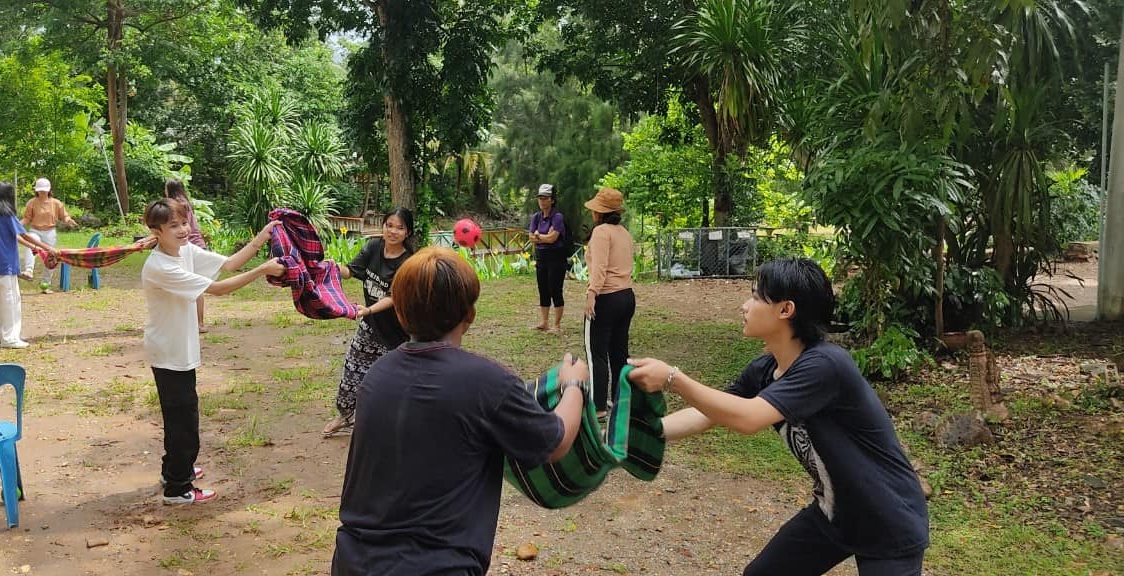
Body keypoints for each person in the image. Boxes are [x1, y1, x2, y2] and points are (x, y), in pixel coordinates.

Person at [627, 258, 930, 576]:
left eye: (756, 297)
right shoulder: (765, 370)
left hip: (888, 518)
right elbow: (709, 414)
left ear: (786, 310)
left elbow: (748, 418)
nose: (745, 306)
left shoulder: (825, 365)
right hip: (835, 513)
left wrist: (673, 379)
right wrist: (641, 433)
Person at [332, 246, 588, 575]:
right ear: (470, 315)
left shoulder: (377, 374)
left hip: (354, 562)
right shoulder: (488, 382)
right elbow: (555, 443)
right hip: (436, 567)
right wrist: (574, 385)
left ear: (400, 314)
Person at [141, 198, 287, 505]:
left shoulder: (183, 251)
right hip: (169, 353)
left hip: (180, 349)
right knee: (184, 422)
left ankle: (174, 470)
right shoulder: (161, 266)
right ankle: (178, 488)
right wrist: (262, 270)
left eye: (184, 223)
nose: (183, 230)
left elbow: (229, 264)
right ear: (156, 232)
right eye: (173, 226)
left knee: (180, 417)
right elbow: (218, 289)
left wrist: (262, 237)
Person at [322, 207, 417, 438]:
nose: (393, 231)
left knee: (394, 383)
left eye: (399, 228)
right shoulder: (374, 247)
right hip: (370, 327)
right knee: (351, 373)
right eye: (389, 225)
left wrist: (368, 310)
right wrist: (331, 267)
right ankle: (345, 416)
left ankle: (400, 426)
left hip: (397, 334)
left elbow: (394, 297)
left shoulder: (408, 262)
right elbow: (350, 271)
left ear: (408, 232)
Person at [582, 187, 635, 412]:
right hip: (626, 296)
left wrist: (592, 293)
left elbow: (600, 268)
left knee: (596, 353)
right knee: (619, 351)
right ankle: (620, 400)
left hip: (606, 297)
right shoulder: (624, 233)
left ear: (599, 212)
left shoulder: (601, 232)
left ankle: (598, 405)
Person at [0, 181, 55, 349]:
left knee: (1, 302)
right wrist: (49, 248)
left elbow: (14, 236)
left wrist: (34, 247)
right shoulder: (7, 214)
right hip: (5, 264)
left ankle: (4, 335)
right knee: (11, 301)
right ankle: (10, 339)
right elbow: (24, 234)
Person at [164, 179, 211, 332]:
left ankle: (198, 323)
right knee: (194, 286)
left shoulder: (176, 206)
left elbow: (173, 230)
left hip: (189, 247)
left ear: (169, 189)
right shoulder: (185, 203)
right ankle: (196, 322)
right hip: (197, 245)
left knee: (194, 287)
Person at [19, 177, 77, 294]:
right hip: (35, 230)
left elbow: (64, 216)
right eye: (40, 190)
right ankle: (29, 271)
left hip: (50, 232)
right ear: (36, 190)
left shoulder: (56, 203)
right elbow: (27, 218)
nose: (42, 192)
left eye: (44, 190)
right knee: (31, 244)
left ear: (49, 190)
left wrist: (68, 220)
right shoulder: (32, 202)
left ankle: (46, 285)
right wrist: (17, 225)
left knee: (51, 256)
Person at [528, 183, 567, 333]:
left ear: (552, 200)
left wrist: (539, 236)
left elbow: (553, 238)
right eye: (540, 198)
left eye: (545, 198)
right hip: (542, 257)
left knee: (555, 289)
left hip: (556, 257)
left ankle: (557, 325)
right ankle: (544, 322)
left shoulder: (557, 217)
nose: (542, 201)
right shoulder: (536, 217)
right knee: (543, 289)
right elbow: (531, 237)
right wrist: (543, 237)